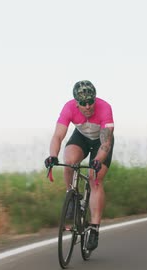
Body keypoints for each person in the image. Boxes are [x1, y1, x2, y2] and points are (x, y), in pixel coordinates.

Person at [44, 80, 114, 251]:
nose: (88, 106)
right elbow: (58, 136)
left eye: (91, 101)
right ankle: (72, 197)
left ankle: (94, 228)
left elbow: (105, 143)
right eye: (83, 103)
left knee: (94, 177)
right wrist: (53, 155)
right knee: (69, 162)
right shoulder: (68, 108)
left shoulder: (105, 108)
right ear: (76, 102)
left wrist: (98, 159)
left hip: (101, 141)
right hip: (81, 136)